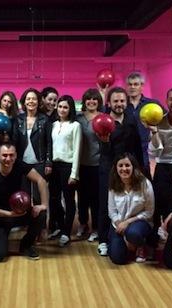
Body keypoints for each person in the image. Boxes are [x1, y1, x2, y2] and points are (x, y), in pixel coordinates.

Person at [96, 87, 144, 256]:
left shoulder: (131, 119)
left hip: (129, 170)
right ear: (109, 103)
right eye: (115, 101)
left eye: (122, 101)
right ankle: (103, 240)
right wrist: (105, 142)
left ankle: (127, 236)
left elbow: (138, 147)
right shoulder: (104, 120)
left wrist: (141, 170)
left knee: (129, 204)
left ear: (126, 102)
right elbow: (104, 151)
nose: (119, 104)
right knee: (105, 205)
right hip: (108, 169)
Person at [0, 144, 48, 262]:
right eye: (4, 155)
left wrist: (44, 204)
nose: (8, 159)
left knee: (41, 214)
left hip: (19, 212)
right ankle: (0, 236)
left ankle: (26, 245)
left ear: (16, 155)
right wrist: (9, 214)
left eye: (11, 155)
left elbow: (40, 180)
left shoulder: (19, 165)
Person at [12, 88, 53, 237]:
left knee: (38, 197)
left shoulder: (44, 120)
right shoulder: (18, 120)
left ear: (38, 102)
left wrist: (48, 162)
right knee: (24, 196)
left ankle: (41, 227)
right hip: (22, 163)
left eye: (34, 99)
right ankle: (26, 224)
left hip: (39, 162)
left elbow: (49, 142)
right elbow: (14, 142)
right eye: (28, 99)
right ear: (24, 102)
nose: (31, 101)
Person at [108, 153, 154, 265]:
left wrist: (127, 222)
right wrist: (119, 224)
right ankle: (128, 245)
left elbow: (149, 212)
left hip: (139, 223)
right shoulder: (113, 184)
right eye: (121, 166)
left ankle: (141, 245)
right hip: (119, 225)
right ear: (116, 168)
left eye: (127, 165)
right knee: (117, 258)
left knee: (133, 233)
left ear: (133, 167)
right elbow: (112, 211)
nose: (124, 169)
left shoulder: (145, 184)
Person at [50, 95, 82, 247]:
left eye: (65, 107)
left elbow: (77, 150)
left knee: (69, 201)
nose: (62, 109)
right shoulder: (53, 125)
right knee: (54, 199)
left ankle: (66, 233)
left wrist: (74, 173)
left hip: (68, 166)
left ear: (70, 109)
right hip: (54, 167)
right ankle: (61, 227)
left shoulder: (75, 125)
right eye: (60, 106)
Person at [75, 89, 102, 242]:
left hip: (97, 163)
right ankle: (83, 223)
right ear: (84, 101)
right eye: (88, 99)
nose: (91, 101)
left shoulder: (103, 118)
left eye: (94, 99)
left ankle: (96, 228)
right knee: (82, 197)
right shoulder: (78, 118)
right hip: (80, 164)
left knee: (95, 198)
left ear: (99, 101)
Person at [125, 72, 163, 177]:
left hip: (143, 152)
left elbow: (166, 120)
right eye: (129, 84)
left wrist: (156, 133)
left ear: (142, 86)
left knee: (144, 186)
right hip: (124, 151)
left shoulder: (152, 104)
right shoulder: (122, 104)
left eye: (136, 84)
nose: (132, 87)